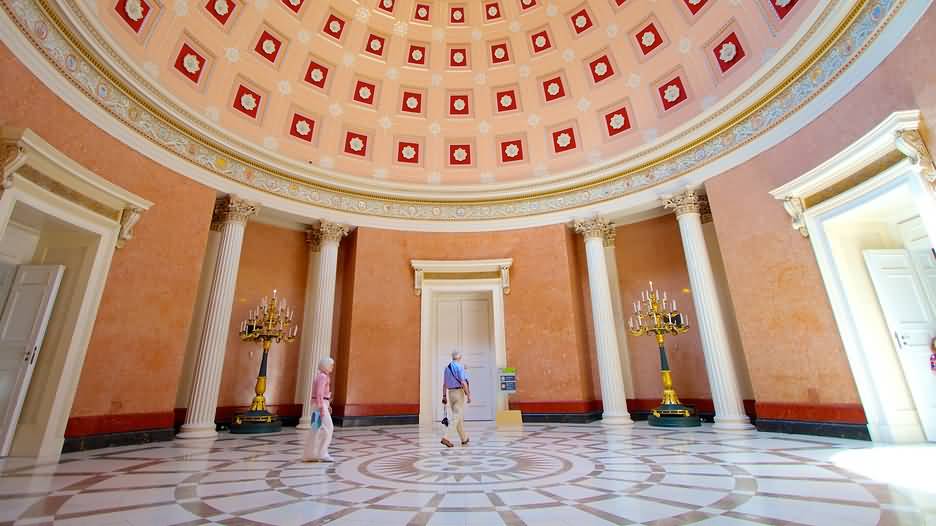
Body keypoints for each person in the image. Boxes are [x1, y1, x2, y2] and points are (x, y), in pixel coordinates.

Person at [303, 357, 335, 462]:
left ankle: (311, 454)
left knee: (315, 429)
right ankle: (322, 453)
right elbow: (319, 393)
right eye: (331, 365)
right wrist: (322, 407)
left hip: (318, 405)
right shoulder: (323, 377)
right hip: (319, 405)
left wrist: (326, 404)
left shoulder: (320, 376)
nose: (332, 367)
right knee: (329, 428)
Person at [441, 350, 471, 448]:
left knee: (458, 417)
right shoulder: (459, 367)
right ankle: (446, 437)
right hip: (458, 393)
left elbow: (444, 384)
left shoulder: (447, 368)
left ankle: (464, 438)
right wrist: (468, 395)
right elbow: (463, 382)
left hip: (450, 393)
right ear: (459, 357)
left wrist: (444, 396)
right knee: (456, 416)